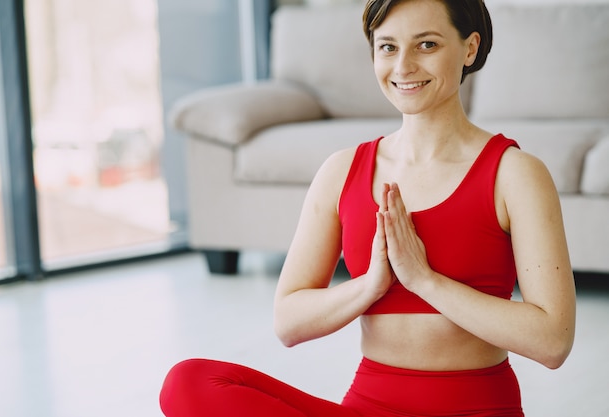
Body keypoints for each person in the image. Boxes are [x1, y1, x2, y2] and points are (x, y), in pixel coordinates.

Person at [159, 0, 576, 415]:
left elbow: (553, 341)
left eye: (426, 45)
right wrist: (370, 285)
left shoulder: (514, 173)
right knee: (189, 382)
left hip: (474, 407)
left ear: (469, 48)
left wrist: (425, 281)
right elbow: (289, 322)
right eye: (388, 47)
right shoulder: (342, 171)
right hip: (368, 406)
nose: (404, 66)